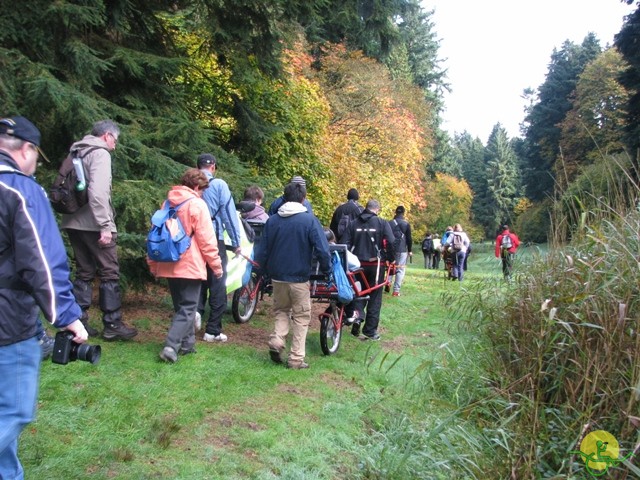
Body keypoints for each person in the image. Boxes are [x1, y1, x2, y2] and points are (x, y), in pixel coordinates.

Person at [0, 116, 89, 478]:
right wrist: (67, 316)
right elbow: (43, 262)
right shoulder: (19, 190)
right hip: (8, 322)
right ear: (26, 150)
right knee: (14, 410)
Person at [60, 120, 138, 340]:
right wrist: (105, 226)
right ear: (107, 136)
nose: (115, 145)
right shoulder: (100, 154)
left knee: (84, 271)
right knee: (109, 271)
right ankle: (113, 324)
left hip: (72, 221)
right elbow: (98, 193)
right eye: (115, 140)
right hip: (94, 224)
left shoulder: (76, 152)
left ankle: (79, 321)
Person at [148, 169, 223, 363]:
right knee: (189, 307)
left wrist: (153, 263)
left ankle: (188, 346)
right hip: (189, 263)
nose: (202, 194)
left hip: (168, 261)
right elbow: (207, 240)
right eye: (202, 190)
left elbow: (155, 233)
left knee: (181, 307)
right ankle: (171, 346)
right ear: (197, 186)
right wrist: (216, 266)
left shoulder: (168, 202)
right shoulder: (197, 204)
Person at [255, 182, 330, 369]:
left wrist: (261, 271)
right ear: (303, 199)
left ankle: (277, 340)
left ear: (284, 197)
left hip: (277, 275)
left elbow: (262, 250)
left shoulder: (272, 220)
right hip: (299, 277)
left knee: (281, 310)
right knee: (302, 316)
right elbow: (323, 249)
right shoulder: (309, 220)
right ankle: (296, 358)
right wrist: (327, 271)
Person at [342, 199, 395, 340]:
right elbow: (391, 241)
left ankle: (357, 320)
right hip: (376, 265)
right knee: (375, 298)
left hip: (356, 265)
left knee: (358, 293)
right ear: (377, 209)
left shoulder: (353, 224)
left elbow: (344, 243)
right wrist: (390, 258)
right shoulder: (382, 223)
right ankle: (370, 331)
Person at [389, 206, 412, 296]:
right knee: (400, 269)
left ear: (395, 212)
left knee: (390, 266)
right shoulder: (406, 224)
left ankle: (388, 282)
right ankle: (396, 291)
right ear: (403, 213)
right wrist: (409, 250)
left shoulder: (390, 223)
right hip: (402, 249)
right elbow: (409, 239)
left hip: (391, 248)